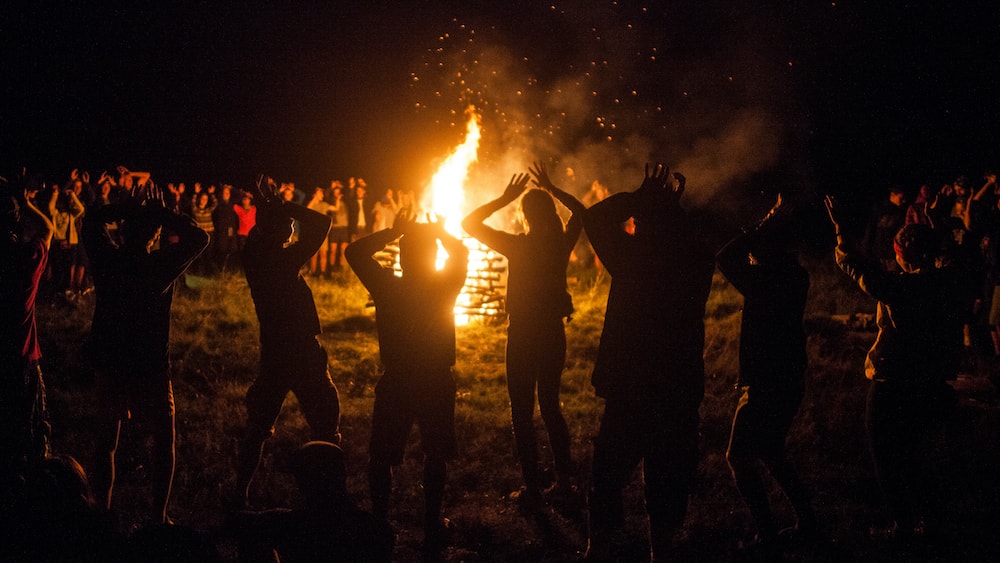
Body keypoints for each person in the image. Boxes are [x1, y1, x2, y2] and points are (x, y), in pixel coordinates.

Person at [583, 163, 716, 561]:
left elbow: (594, 218)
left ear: (643, 225)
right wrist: (670, 208)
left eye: (638, 221)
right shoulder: (695, 263)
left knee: (607, 476)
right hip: (676, 390)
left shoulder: (633, 261)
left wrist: (637, 198)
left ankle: (598, 549)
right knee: (668, 476)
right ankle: (661, 552)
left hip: (630, 389)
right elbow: (692, 237)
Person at [826, 195, 967, 544]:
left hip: (895, 386)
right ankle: (933, 524)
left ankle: (905, 527)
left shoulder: (906, 288)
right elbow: (953, 257)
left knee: (890, 459)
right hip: (932, 385)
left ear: (902, 255)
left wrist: (842, 232)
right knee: (921, 457)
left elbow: (860, 269)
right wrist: (935, 225)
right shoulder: (948, 281)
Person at [82, 180, 209, 524]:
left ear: (122, 230)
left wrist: (124, 209)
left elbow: (90, 221)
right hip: (150, 365)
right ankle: (158, 516)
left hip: (110, 361)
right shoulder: (158, 267)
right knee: (164, 443)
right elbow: (200, 238)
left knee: (106, 442)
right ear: (154, 234)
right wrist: (161, 212)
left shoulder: (107, 259)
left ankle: (101, 512)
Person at [461, 161, 584, 509]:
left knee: (521, 411)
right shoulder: (560, 245)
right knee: (550, 406)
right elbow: (581, 211)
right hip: (552, 333)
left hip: (523, 334)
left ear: (526, 217)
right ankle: (563, 481)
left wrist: (504, 198)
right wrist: (553, 189)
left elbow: (468, 224)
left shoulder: (518, 246)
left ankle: (532, 486)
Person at [346, 211, 468, 552]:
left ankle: (380, 521)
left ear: (401, 256)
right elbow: (461, 254)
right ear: (433, 256)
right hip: (435, 379)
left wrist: (393, 231)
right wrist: (441, 231)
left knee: (381, 456)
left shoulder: (388, 286)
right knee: (436, 453)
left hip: (397, 379)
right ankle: (431, 526)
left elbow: (354, 253)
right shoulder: (445, 285)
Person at [716, 195, 816, 552]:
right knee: (771, 451)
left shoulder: (764, 279)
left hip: (766, 382)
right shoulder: (795, 275)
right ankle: (809, 521)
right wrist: (769, 226)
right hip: (787, 376)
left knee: (738, 457)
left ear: (766, 245)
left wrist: (761, 223)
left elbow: (725, 256)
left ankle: (767, 535)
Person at [236, 176, 342, 507]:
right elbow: (323, 222)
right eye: (288, 224)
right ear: (278, 228)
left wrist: (271, 208)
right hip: (301, 352)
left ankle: (239, 496)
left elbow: (266, 231)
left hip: (275, 353)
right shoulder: (281, 261)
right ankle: (331, 498)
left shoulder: (255, 255)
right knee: (326, 427)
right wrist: (287, 206)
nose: (293, 227)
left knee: (258, 428)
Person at [223, 441, 393, 563]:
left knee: (253, 535)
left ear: (303, 483)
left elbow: (237, 522)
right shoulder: (379, 531)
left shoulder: (291, 525)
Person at [1, 178, 54, 485]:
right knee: (27, 433)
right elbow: (47, 228)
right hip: (21, 361)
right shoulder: (26, 259)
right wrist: (27, 200)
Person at [862, 186, 907, 272]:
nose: (904, 201)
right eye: (902, 198)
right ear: (893, 194)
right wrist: (866, 248)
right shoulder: (879, 208)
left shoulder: (902, 212)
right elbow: (870, 229)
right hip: (877, 253)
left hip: (893, 256)